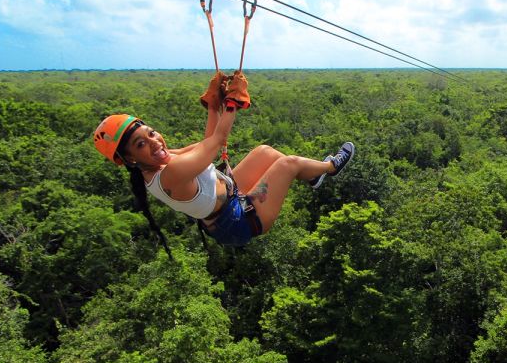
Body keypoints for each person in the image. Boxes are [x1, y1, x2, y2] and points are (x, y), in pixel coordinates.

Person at [93, 70, 354, 248]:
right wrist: (233, 102)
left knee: (266, 152)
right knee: (289, 163)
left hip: (229, 197)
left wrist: (213, 105)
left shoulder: (159, 163)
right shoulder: (169, 173)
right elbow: (216, 142)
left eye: (150, 133)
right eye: (141, 144)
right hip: (238, 222)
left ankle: (314, 175)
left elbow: (206, 143)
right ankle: (330, 167)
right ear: (129, 159)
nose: (154, 142)